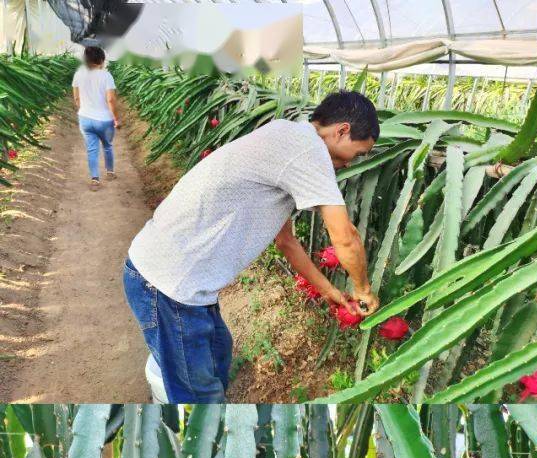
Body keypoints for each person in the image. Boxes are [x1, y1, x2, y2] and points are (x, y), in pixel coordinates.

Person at [123, 91, 381, 403]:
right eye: (355, 153)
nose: (349, 163)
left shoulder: (286, 137)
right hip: (168, 284)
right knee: (198, 395)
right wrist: (363, 290)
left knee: (218, 358)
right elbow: (346, 237)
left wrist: (327, 290)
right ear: (341, 130)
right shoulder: (308, 151)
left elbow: (285, 240)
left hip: (176, 277)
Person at [71, 45, 120, 190]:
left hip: (85, 118)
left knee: (92, 149)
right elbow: (110, 99)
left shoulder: (78, 75)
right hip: (104, 120)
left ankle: (95, 179)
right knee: (107, 146)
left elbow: (76, 98)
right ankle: (110, 172)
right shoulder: (106, 76)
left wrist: (85, 110)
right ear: (102, 60)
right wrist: (116, 118)